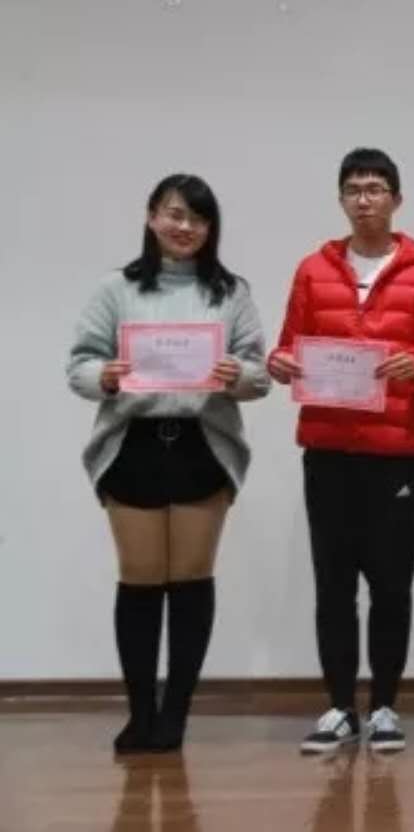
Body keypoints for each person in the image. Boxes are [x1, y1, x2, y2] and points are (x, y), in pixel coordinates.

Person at [267, 148, 414, 754]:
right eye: (353, 189)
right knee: (332, 586)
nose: (364, 199)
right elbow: (288, 346)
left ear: (396, 199)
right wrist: (280, 363)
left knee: (391, 586)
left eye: (375, 188)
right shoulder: (312, 270)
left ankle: (383, 707)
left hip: (394, 452)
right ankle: (337, 707)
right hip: (327, 450)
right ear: (341, 199)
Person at [67, 173, 270, 753]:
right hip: (132, 443)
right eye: (175, 214)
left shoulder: (230, 292)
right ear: (152, 216)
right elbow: (79, 365)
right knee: (139, 579)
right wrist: (104, 376)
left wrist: (237, 374)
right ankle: (140, 713)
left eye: (198, 219)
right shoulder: (116, 289)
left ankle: (175, 713)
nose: (185, 227)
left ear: (211, 228)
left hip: (202, 444)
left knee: (190, 579)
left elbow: (259, 375)